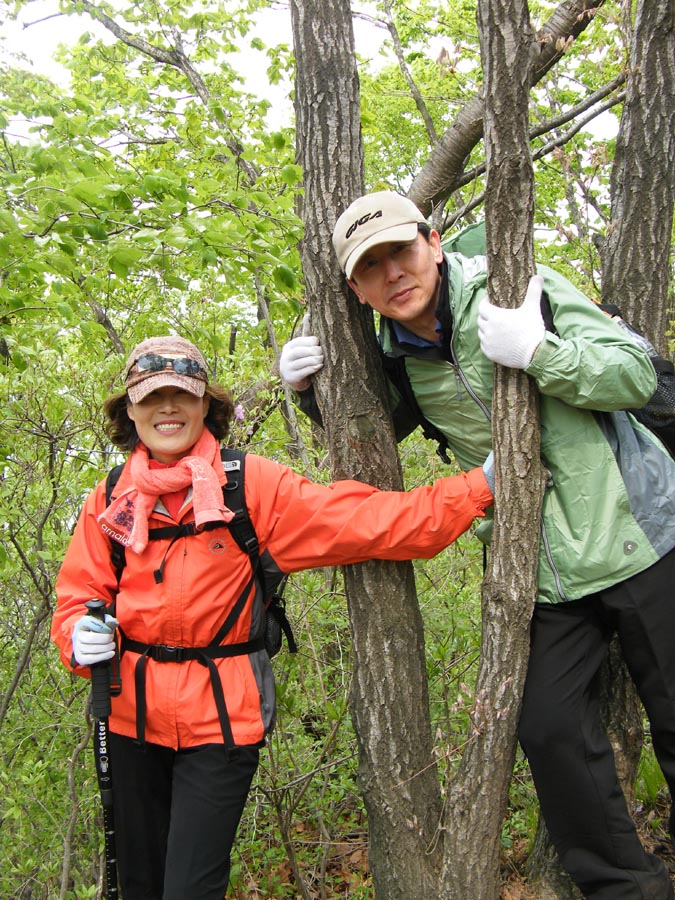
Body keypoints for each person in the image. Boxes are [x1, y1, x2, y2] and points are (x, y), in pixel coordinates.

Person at [279, 190, 675, 900]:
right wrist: (316, 393)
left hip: (643, 534)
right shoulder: (393, 355)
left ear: (432, 242)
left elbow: (634, 374)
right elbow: (372, 438)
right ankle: (627, 889)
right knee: (549, 732)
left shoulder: (520, 291)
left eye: (400, 250)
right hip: (540, 574)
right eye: (371, 266)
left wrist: (538, 350)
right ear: (354, 289)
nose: (392, 273)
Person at [51, 334, 494, 900]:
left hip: (222, 721)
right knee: (139, 883)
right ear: (130, 410)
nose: (167, 409)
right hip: (130, 717)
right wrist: (76, 636)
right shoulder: (110, 498)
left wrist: (480, 487)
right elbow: (78, 596)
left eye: (181, 395)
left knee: (188, 888)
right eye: (150, 397)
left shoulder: (248, 485)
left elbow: (369, 521)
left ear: (205, 406)